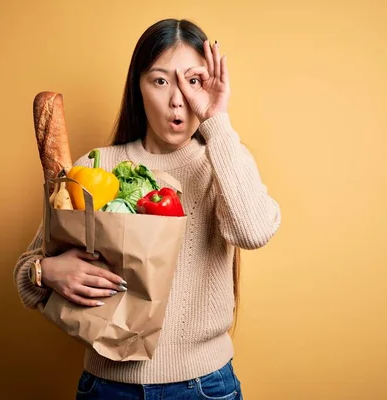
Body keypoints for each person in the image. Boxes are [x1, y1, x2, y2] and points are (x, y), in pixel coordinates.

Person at [14, 18, 281, 399]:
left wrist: (217, 121)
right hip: (107, 389)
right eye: (160, 81)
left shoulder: (223, 160)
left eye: (193, 81)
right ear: (138, 88)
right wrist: (48, 271)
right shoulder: (95, 168)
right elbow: (25, 276)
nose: (177, 99)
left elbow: (253, 232)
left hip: (204, 388)